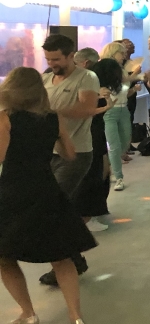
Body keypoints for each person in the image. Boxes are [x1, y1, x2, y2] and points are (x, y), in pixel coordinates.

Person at [0, 67, 96, 324]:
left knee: (5, 255)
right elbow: (69, 154)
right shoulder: (52, 118)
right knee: (61, 256)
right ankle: (76, 318)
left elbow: (0, 157)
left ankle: (28, 314)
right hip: (46, 189)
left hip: (13, 191)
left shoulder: (5, 119)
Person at [40, 34, 99, 286]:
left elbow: (87, 109)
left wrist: (50, 113)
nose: (51, 64)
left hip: (77, 153)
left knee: (52, 208)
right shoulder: (45, 79)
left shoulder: (87, 78)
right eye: (48, 59)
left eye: (56, 59)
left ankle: (68, 261)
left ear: (70, 56)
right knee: (58, 209)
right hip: (49, 153)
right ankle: (73, 259)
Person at [73, 49, 113, 232]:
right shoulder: (82, 80)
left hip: (95, 130)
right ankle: (85, 216)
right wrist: (98, 98)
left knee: (102, 169)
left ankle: (93, 211)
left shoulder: (87, 79)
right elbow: (82, 110)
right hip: (86, 133)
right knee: (90, 172)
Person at [100, 42, 138, 192]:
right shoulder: (104, 69)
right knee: (114, 145)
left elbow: (124, 92)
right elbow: (120, 83)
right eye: (121, 53)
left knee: (124, 143)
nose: (123, 56)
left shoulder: (121, 70)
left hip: (124, 109)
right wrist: (135, 75)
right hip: (110, 111)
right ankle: (118, 177)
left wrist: (134, 88)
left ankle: (109, 166)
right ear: (113, 53)